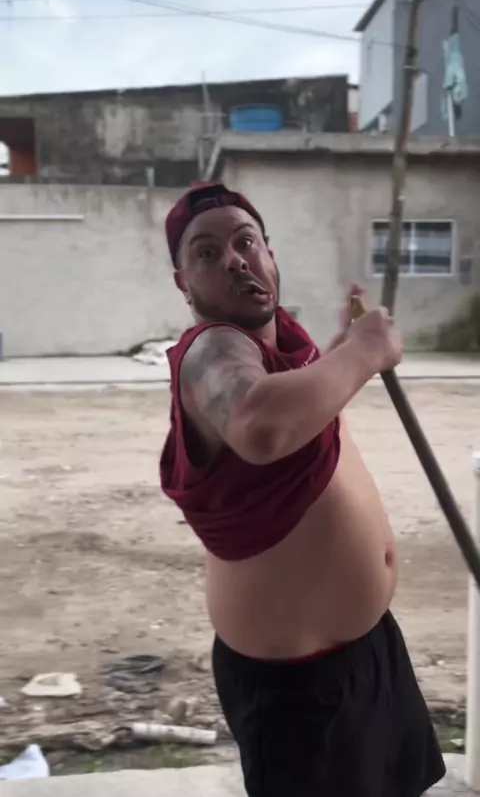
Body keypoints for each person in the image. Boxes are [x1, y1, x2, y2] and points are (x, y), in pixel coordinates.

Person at [160, 182, 446, 797]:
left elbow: (299, 410)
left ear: (270, 255)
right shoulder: (208, 352)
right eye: (206, 253)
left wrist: (339, 352)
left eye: (246, 242)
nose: (234, 260)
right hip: (298, 694)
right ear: (184, 284)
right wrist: (364, 353)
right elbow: (261, 425)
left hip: (371, 650)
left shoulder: (290, 352)